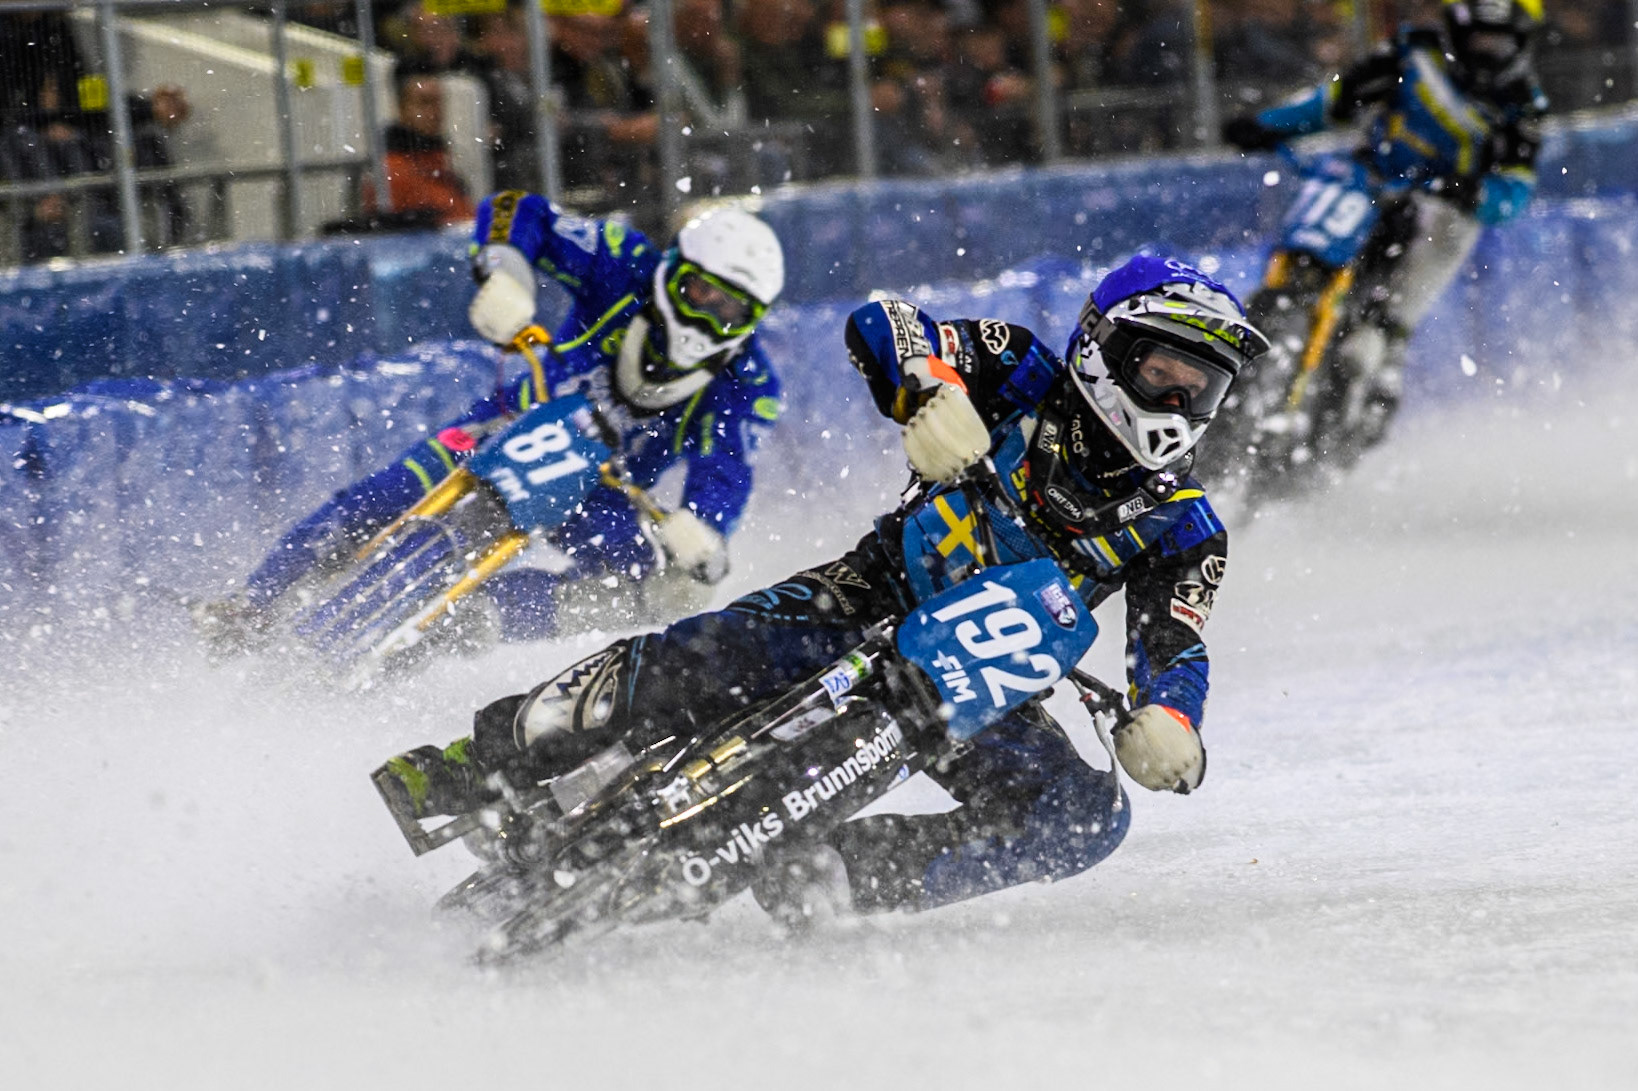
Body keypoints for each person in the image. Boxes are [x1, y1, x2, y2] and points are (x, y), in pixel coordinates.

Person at [377, 253, 1269, 925]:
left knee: (1086, 818)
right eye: (1163, 370)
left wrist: (1172, 720)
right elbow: (887, 321)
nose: (1179, 401)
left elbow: (1176, 643)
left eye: (1203, 387)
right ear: (1105, 345)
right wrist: (927, 390)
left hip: (976, 686)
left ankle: (836, 873)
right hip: (868, 593)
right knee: (702, 655)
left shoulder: (1187, 525)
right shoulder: (1023, 370)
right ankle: (486, 757)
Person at [205, 195, 786, 652]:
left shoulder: (750, 384)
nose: (709, 315)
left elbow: (727, 465)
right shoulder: (623, 262)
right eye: (700, 291)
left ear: (753, 318)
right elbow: (519, 209)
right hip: (511, 420)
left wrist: (703, 528)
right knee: (391, 491)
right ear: (673, 269)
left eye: (731, 308)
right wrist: (507, 274)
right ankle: (255, 602)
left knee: (650, 590)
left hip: (602, 489)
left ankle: (472, 622)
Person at [1219, 0, 1547, 446]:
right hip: (1369, 180)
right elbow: (1335, 101)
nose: (1488, 52)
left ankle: (1384, 356)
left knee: (1377, 332)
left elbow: (1514, 190)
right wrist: (1266, 125)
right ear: (1457, 30)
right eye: (1480, 39)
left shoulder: (1522, 106)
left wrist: (1475, 193)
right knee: (1305, 243)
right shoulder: (1411, 54)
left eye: (1499, 41)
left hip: (1440, 209)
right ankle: (1255, 336)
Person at [362, 66, 476, 225]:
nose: (435, 112)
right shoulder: (391, 173)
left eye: (439, 102)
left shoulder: (444, 163)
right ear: (402, 108)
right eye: (425, 102)